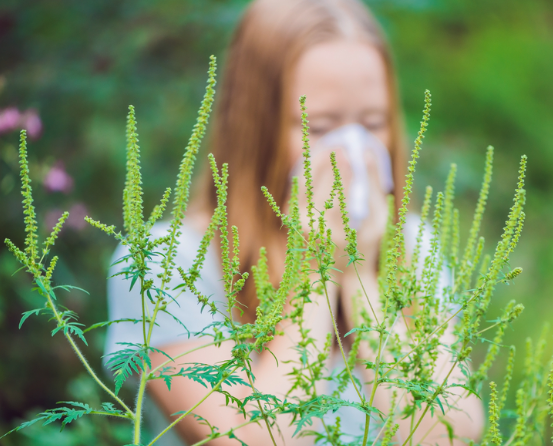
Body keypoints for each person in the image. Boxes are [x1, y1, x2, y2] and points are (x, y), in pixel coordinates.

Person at [105, 0, 484, 444]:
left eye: (373, 123)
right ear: (254, 127)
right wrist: (317, 269)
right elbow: (253, 439)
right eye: (319, 127)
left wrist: (359, 274)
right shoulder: (165, 263)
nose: (351, 151)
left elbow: (449, 434)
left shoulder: (414, 244)